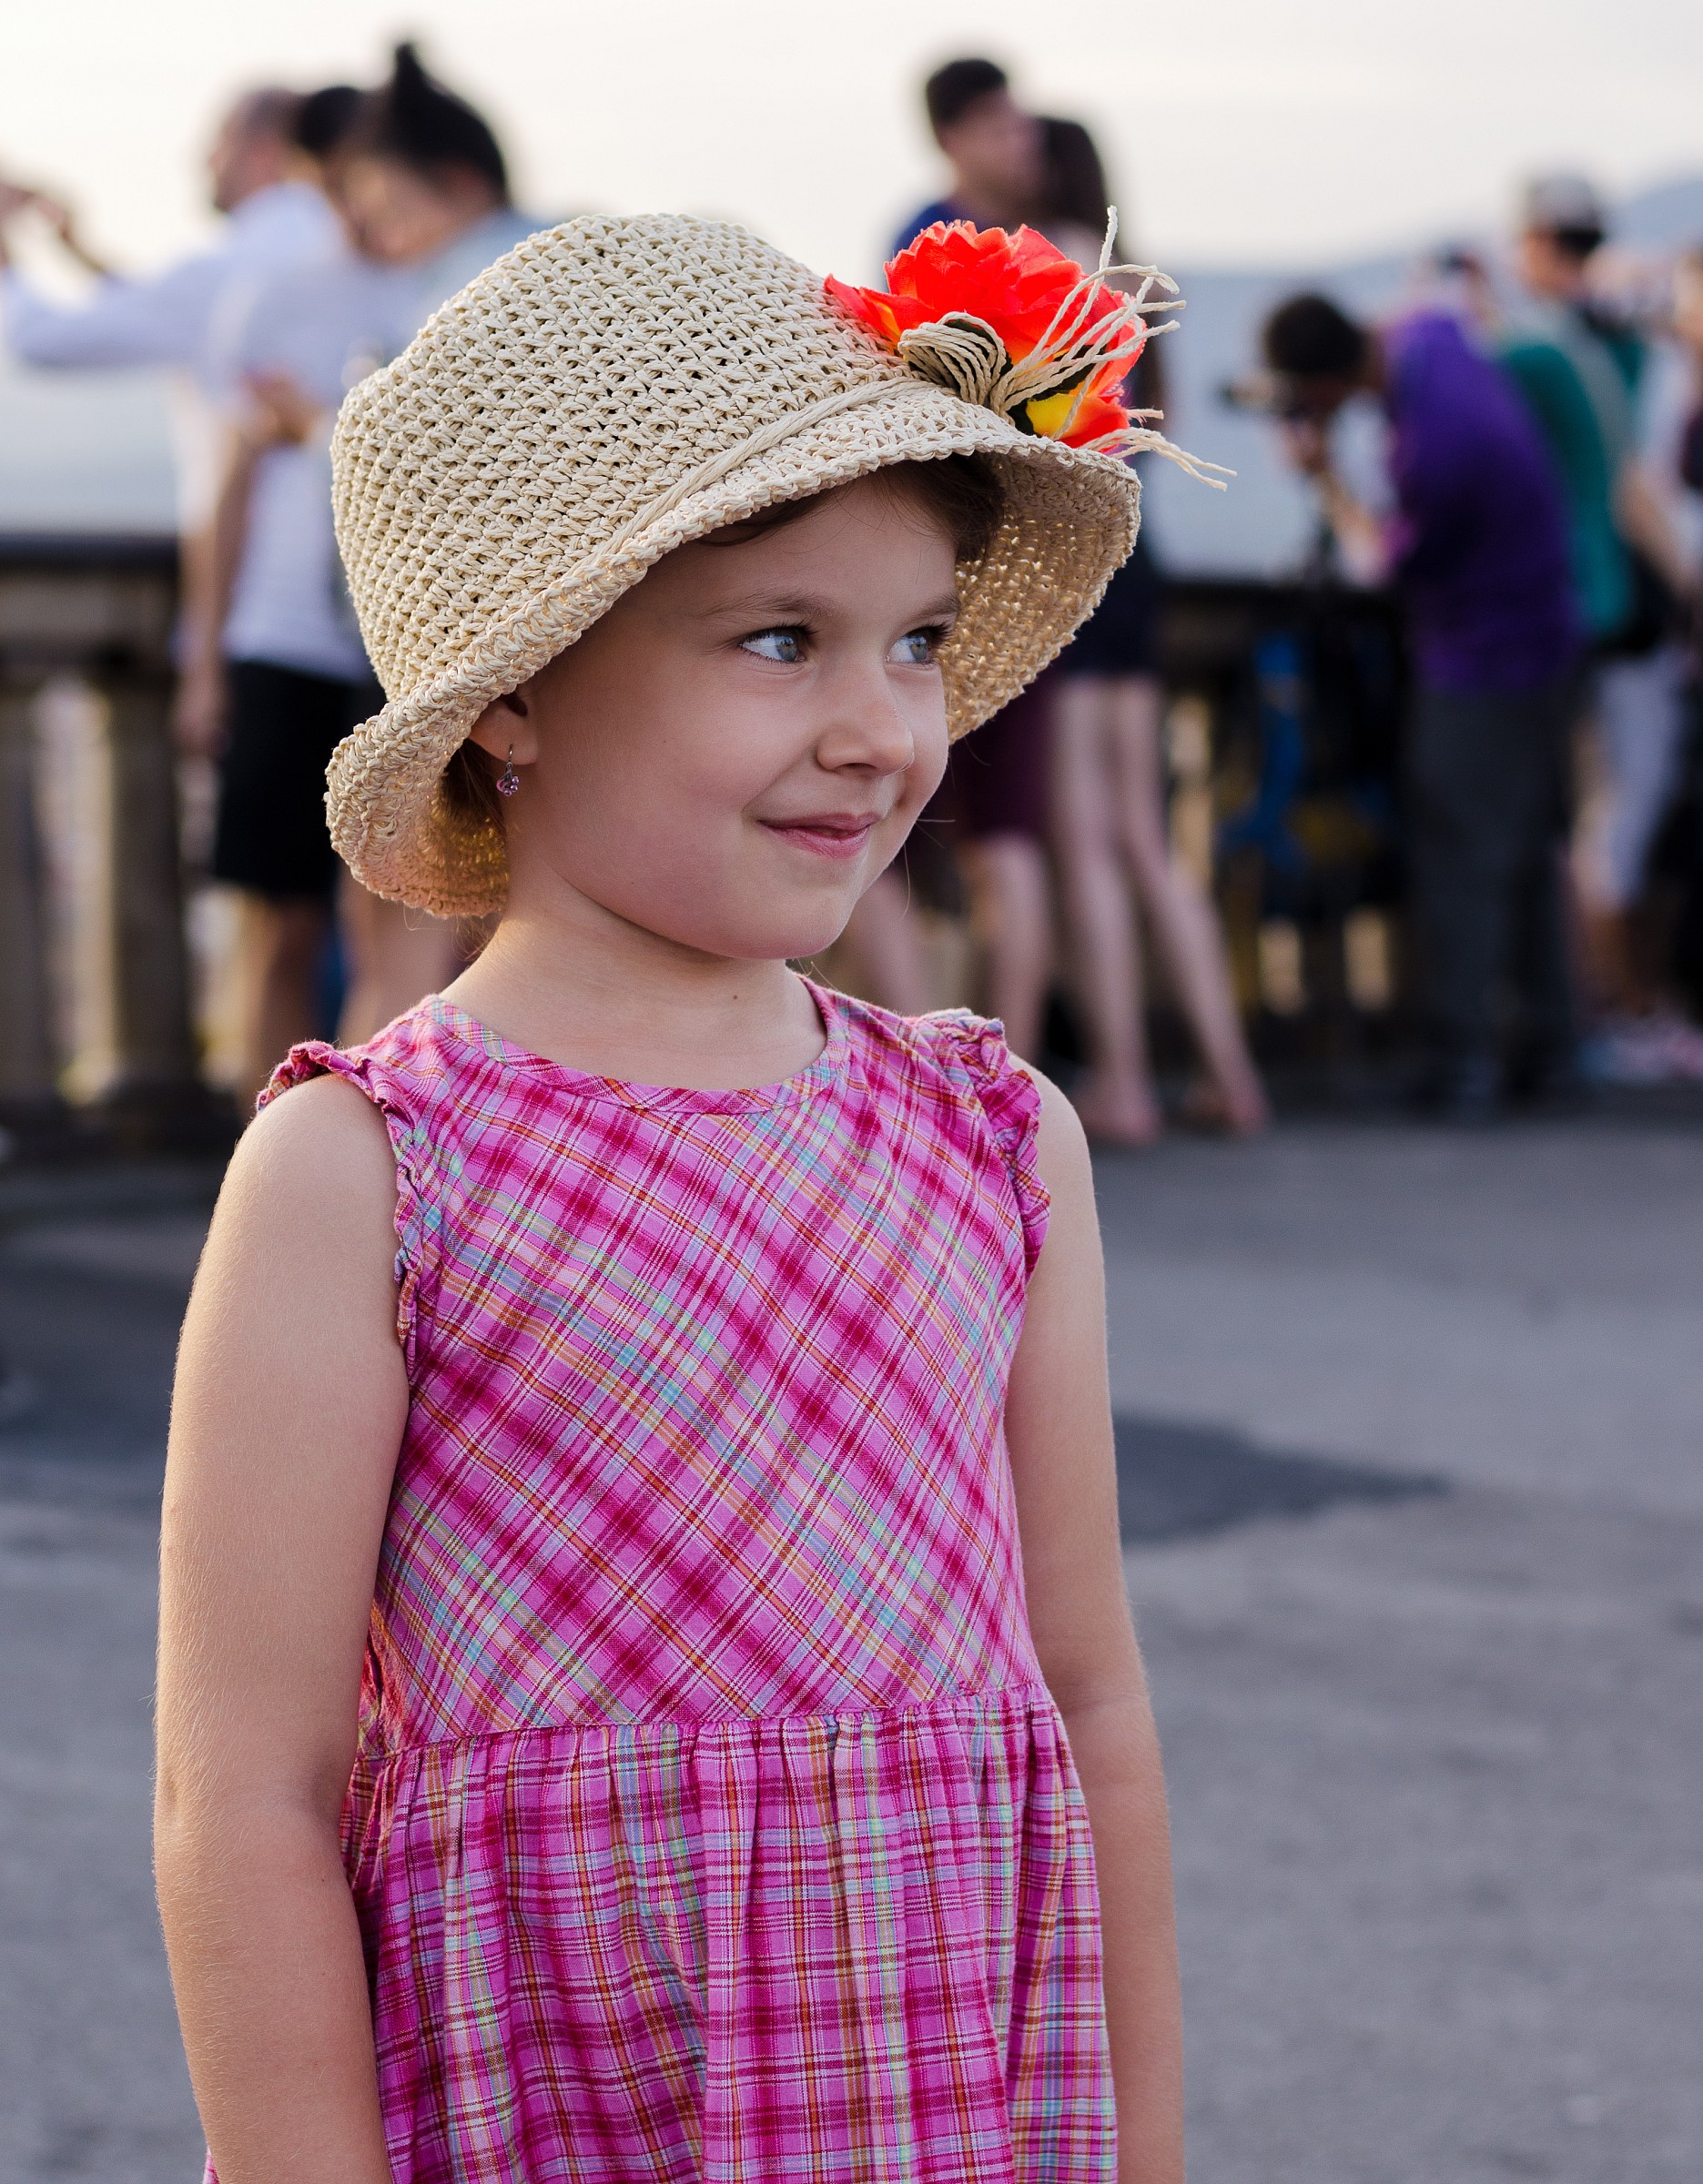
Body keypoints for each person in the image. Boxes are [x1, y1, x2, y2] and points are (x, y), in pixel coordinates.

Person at [156, 213, 1183, 2180]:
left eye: (910, 643)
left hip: (957, 2104)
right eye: (776, 640)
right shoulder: (367, 1168)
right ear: (514, 694)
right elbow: (248, 1791)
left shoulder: (990, 1136)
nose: (881, 729)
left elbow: (1086, 1700)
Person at [187, 46, 538, 1093]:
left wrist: (321, 423)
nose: (365, 219)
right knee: (411, 926)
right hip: (402, 645)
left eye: (373, 193)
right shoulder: (499, 262)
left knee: (409, 928)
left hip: (444, 647)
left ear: (450, 182)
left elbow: (470, 452)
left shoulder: (479, 276)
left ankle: (356, 1169)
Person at [1262, 292, 1582, 1118]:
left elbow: (1386, 565)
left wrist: (1325, 477)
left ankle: (1460, 1063)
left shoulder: (1432, 449)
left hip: (1483, 658)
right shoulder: (1430, 336)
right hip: (1547, 637)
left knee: (1461, 856)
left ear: (1323, 384)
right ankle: (1552, 1051)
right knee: (1524, 849)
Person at [1039, 117, 1267, 1142]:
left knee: (1084, 839)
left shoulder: (1033, 273)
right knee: (1147, 836)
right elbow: (1156, 433)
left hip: (1075, 560)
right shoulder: (1138, 281)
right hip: (1143, 560)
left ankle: (1122, 1083)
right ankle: (1230, 1073)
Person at [0, 90, 340, 727]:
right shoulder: (335, 249)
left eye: (220, 141)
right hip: (357, 622)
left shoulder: (231, 268)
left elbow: (43, 341)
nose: (204, 158)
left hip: (265, 616)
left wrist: (6, 255)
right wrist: (78, 250)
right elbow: (171, 317)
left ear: (264, 150)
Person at [850, 59, 1053, 1046]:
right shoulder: (1038, 253)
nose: (1020, 141)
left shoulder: (923, 241)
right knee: (1003, 839)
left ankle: (938, 1064)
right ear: (955, 134)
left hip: (959, 554)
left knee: (901, 835)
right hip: (1007, 554)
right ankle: (997, 1069)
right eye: (1001, 126)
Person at [1504, 174, 1694, 1024]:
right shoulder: (1628, 348)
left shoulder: (1537, 349)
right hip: (1627, 615)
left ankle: (1605, 1008)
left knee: (1595, 816)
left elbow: (1626, 485)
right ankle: (1621, 1005)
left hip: (1580, 608)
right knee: (1621, 812)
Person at [889, 55, 1041, 258]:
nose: (1020, 145)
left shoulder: (1056, 218)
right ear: (948, 140)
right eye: (998, 133)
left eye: (1021, 128)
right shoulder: (923, 241)